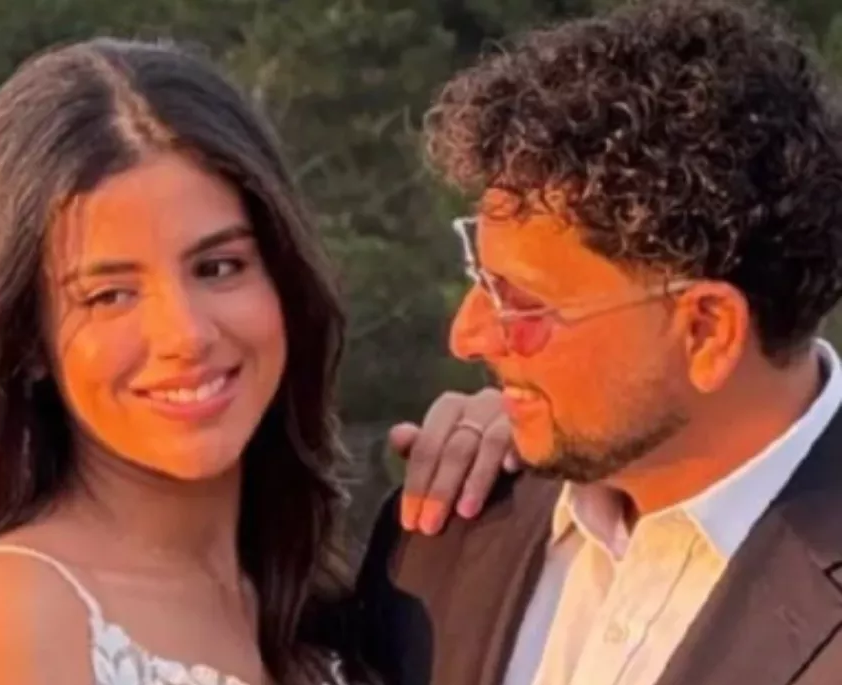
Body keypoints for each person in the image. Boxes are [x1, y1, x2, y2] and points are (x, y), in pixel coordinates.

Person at [0, 37, 516, 685]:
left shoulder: (313, 605)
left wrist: (526, 446)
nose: (185, 334)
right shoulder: (9, 613)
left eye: (218, 267)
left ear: (283, 276)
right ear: (28, 340)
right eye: (110, 295)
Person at [355, 1, 842, 684]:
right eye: (479, 279)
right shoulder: (439, 539)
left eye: (521, 300)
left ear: (707, 330)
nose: (466, 336)